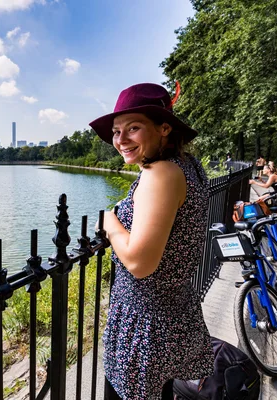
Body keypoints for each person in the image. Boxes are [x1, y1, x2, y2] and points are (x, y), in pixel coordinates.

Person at [90, 83, 214, 400]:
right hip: (172, 312)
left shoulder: (160, 173)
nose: (121, 140)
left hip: (144, 325)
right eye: (117, 131)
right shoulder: (189, 167)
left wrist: (109, 221)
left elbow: (139, 262)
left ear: (163, 128)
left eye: (133, 128)